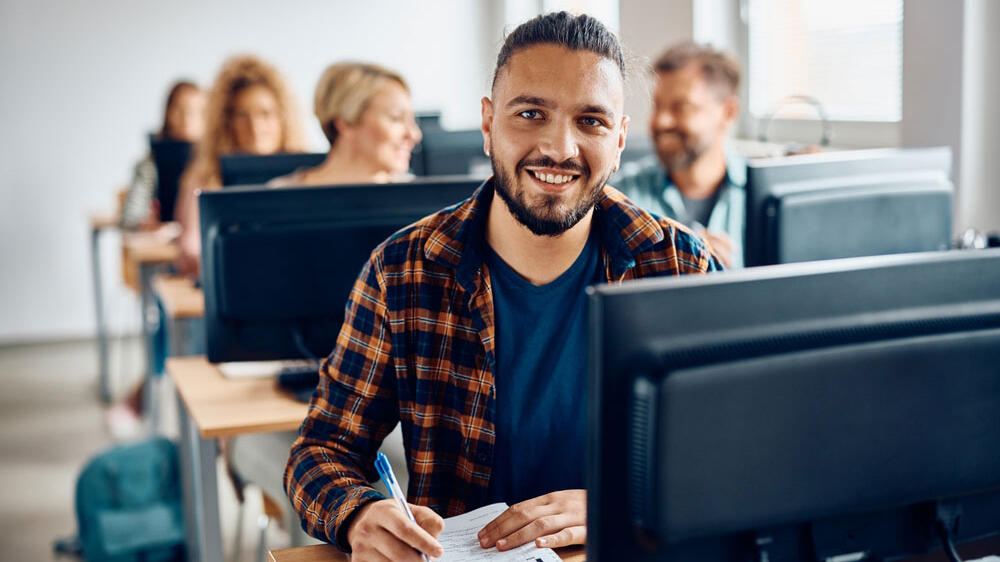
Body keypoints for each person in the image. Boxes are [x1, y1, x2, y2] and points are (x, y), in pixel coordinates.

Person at [284, 12, 722, 562]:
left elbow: (732, 454)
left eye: (591, 121)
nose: (559, 148)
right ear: (489, 123)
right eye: (531, 113)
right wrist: (359, 515)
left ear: (619, 139)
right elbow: (321, 450)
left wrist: (619, 503)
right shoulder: (403, 272)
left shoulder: (679, 267)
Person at [616, 41, 745, 268]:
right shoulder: (621, 197)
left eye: (681, 107)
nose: (660, 121)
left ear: (728, 112)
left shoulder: (764, 198)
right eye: (657, 106)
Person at [174, 54, 307, 274]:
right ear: (226, 122)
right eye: (242, 115)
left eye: (265, 114)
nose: (255, 127)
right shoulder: (206, 176)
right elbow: (191, 246)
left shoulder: (307, 174)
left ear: (282, 117)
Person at [269, 62, 422, 187]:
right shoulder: (278, 196)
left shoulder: (422, 203)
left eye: (411, 120)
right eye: (396, 118)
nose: (414, 135)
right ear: (345, 123)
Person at [118, 80, 205, 230]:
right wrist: (144, 223)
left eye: (196, 111)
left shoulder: (213, 162)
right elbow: (130, 219)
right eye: (179, 110)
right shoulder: (150, 164)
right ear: (167, 114)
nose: (187, 118)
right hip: (161, 247)